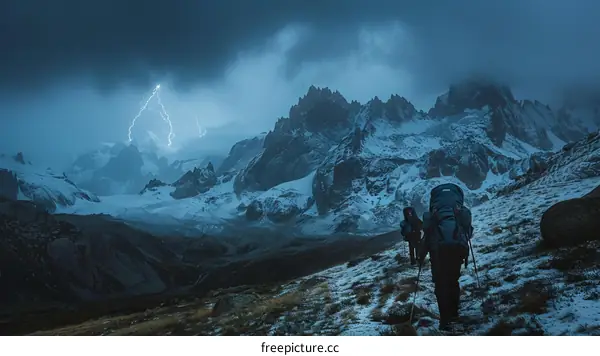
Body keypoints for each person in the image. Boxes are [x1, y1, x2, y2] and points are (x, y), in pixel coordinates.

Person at [418, 183, 473, 331]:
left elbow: (426, 236)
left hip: (438, 252)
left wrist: (420, 257)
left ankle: (445, 320)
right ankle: (454, 314)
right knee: (453, 281)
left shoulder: (432, 214)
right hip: (457, 250)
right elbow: (469, 232)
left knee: (440, 284)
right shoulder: (460, 212)